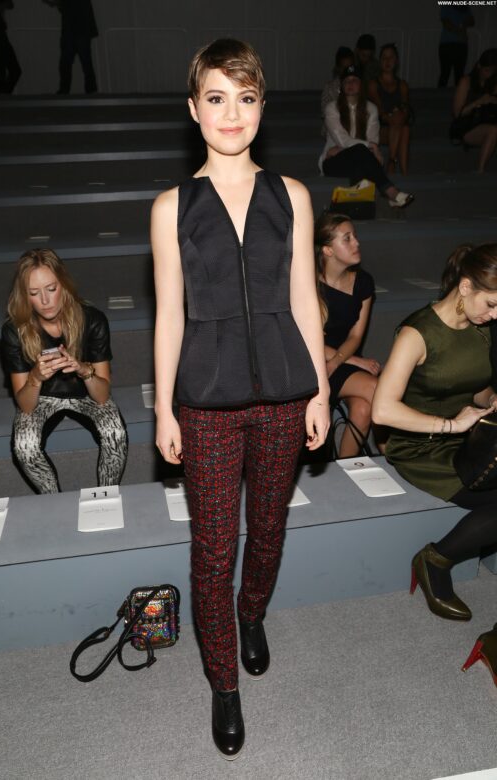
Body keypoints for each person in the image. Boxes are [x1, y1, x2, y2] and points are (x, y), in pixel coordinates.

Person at [151, 38, 329, 759]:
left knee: (271, 529)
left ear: (261, 107)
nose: (232, 113)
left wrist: (318, 389)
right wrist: (164, 408)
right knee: (213, 547)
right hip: (207, 402)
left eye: (246, 98)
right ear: (194, 109)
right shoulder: (172, 207)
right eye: (217, 98)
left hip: (285, 394)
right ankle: (224, 685)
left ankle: (251, 614)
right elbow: (169, 314)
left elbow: (305, 299)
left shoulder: (293, 196)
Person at [372, 243, 497, 688]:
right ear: (465, 287)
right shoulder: (417, 333)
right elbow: (382, 410)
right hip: (420, 446)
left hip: (468, 439)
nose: (495, 314)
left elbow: (475, 387)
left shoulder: (481, 328)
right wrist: (450, 424)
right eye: (491, 303)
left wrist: (491, 401)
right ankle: (434, 560)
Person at [0, 249, 127, 494]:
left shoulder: (92, 319)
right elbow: (26, 405)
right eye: (34, 293)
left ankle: (107, 498)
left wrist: (83, 369)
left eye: (51, 288)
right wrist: (35, 377)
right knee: (25, 446)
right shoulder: (15, 330)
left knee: (115, 433)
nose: (45, 300)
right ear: (25, 296)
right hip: (41, 398)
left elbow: (102, 396)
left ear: (64, 285)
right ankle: (53, 501)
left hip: (86, 394)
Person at [315, 212, 380, 457]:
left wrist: (339, 362)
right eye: (347, 238)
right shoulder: (308, 283)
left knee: (363, 409)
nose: (357, 243)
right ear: (328, 250)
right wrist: (353, 361)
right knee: (376, 390)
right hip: (313, 362)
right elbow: (307, 340)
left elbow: (355, 336)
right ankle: (396, 454)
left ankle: (346, 467)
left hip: (341, 360)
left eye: (355, 236)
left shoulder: (363, 282)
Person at [320, 64, 414, 208]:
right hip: (333, 162)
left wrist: (367, 146)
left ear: (361, 85)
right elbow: (343, 140)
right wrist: (370, 146)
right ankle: (391, 192)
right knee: (361, 151)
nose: (350, 83)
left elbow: (372, 140)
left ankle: (359, 207)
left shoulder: (371, 109)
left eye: (354, 80)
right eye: (347, 81)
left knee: (361, 160)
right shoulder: (332, 108)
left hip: (359, 160)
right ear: (342, 86)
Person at [451, 49, 497, 174]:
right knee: (493, 130)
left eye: (492, 71)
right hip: (466, 126)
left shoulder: (493, 82)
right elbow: (457, 114)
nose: (489, 74)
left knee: (493, 129)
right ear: (479, 66)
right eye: (487, 70)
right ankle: (480, 170)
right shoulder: (466, 81)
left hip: (487, 121)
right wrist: (479, 102)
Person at [368, 44, 411, 175]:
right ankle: (396, 166)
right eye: (384, 58)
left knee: (404, 128)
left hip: (397, 125)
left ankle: (394, 163)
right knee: (401, 126)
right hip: (379, 128)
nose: (387, 61)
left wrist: (399, 115)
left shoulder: (402, 85)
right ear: (380, 61)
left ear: (396, 61)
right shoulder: (373, 84)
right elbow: (379, 111)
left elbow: (405, 108)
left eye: (391, 57)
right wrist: (393, 117)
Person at [42, 0, 98, 94]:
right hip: (77, 29)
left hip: (77, 30)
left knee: (76, 63)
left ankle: (67, 90)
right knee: (79, 63)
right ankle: (89, 90)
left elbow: (66, 7)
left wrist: (56, 3)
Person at [438, 7, 474, 88]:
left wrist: (463, 24)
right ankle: (440, 94)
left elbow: (472, 21)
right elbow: (446, 23)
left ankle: (459, 93)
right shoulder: (446, 7)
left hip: (461, 44)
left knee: (459, 73)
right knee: (445, 73)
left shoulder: (466, 8)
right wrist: (460, 32)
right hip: (447, 44)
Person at [320, 46, 355, 129]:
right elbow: (325, 112)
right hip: (334, 127)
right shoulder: (330, 88)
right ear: (338, 68)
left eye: (349, 67)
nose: (347, 71)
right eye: (344, 68)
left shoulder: (359, 85)